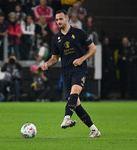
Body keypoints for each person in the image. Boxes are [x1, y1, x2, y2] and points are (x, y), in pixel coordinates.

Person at [41, 9, 101, 138]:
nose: (58, 22)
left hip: (79, 70)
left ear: (67, 18)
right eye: (56, 20)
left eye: (61, 19)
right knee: (76, 104)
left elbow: (93, 49)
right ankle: (94, 130)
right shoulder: (56, 38)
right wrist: (47, 64)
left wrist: (82, 59)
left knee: (75, 92)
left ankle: (67, 118)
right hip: (66, 72)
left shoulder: (79, 33)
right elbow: (55, 58)